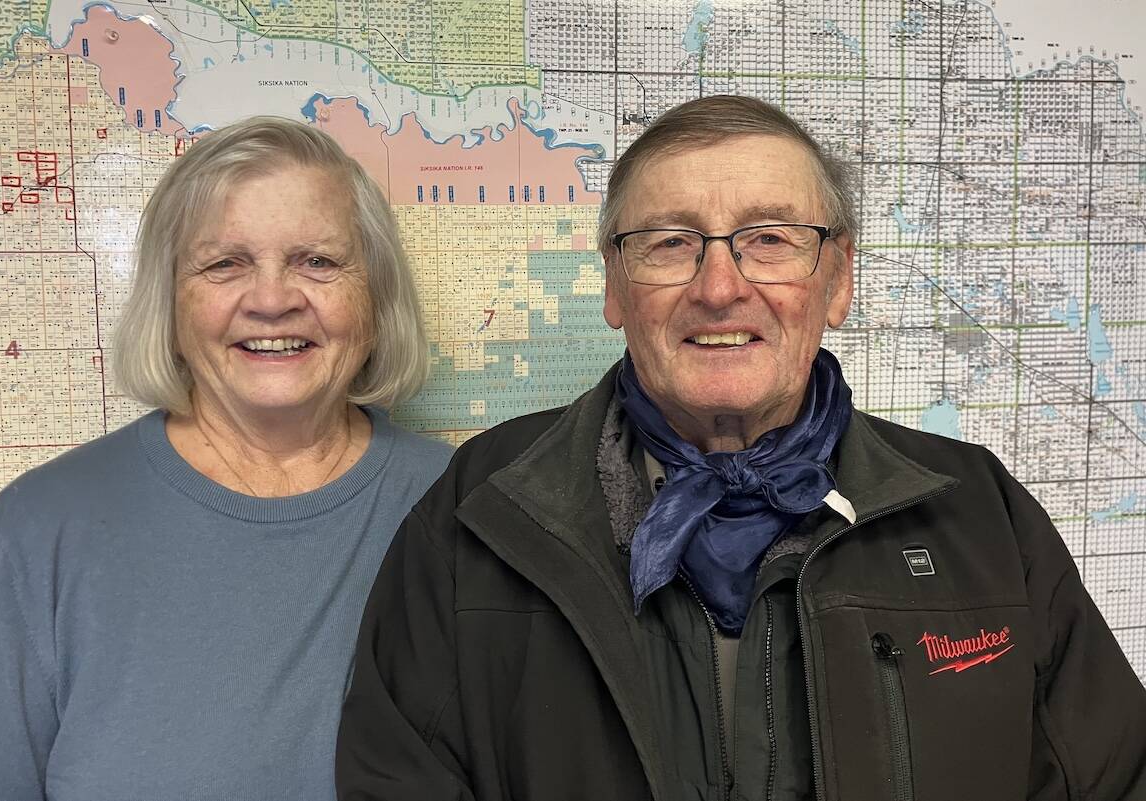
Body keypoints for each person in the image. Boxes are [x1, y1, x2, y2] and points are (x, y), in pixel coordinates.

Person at [335, 95, 1146, 800]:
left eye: (770, 239)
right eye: (669, 242)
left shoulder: (980, 515)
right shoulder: (483, 509)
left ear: (837, 280)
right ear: (615, 288)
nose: (720, 285)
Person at [0, 117, 453, 800]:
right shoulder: (38, 534)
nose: (273, 300)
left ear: (375, 298)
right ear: (170, 302)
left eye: (318, 261)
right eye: (225, 263)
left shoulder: (466, 510)